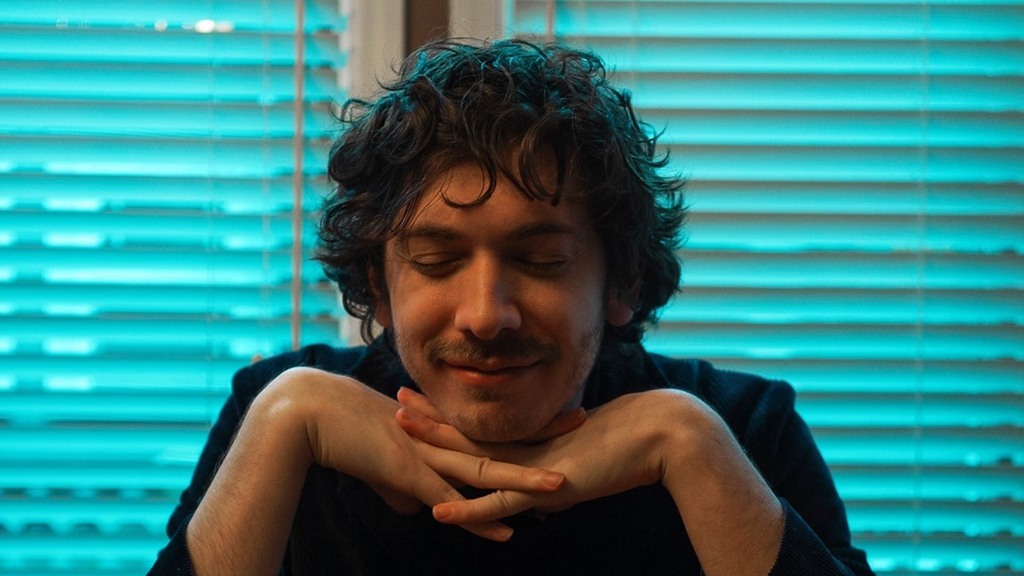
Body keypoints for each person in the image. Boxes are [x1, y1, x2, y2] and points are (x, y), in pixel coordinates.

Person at [148, 39, 875, 576]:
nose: (486, 315)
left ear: (621, 282)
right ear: (380, 285)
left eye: (541, 261)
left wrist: (691, 446)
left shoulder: (746, 431)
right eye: (436, 262)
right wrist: (283, 422)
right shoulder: (278, 420)